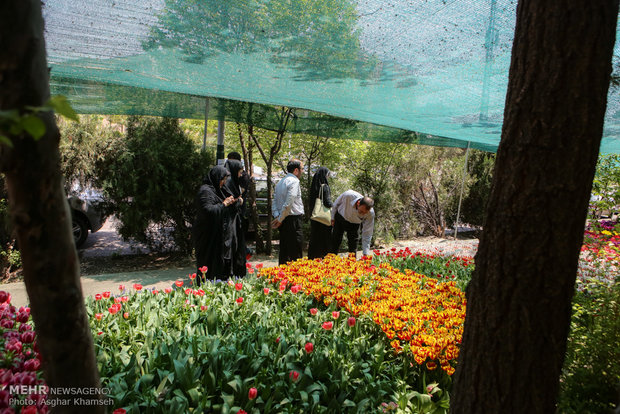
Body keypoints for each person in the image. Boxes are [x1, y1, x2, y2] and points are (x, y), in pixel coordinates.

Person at [193, 165, 238, 283]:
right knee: (208, 263)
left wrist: (234, 202)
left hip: (219, 236)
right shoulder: (205, 191)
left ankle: (218, 284)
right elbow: (208, 211)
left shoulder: (217, 190)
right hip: (208, 236)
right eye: (222, 180)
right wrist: (224, 204)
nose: (223, 183)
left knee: (220, 263)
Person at [272, 159, 304, 265]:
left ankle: (282, 278)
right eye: (302, 169)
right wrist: (280, 219)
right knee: (295, 254)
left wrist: (277, 217)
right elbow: (289, 203)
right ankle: (296, 278)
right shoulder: (294, 181)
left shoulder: (280, 182)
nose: (303, 171)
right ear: (296, 170)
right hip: (293, 220)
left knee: (284, 252)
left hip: (283, 220)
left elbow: (274, 202)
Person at [330, 190, 375, 257]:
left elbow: (367, 233)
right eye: (361, 211)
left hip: (355, 224)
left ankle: (352, 265)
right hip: (340, 217)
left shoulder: (370, 214)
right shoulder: (348, 195)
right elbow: (335, 204)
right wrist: (332, 218)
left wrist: (366, 253)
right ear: (358, 203)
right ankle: (330, 263)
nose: (363, 214)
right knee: (335, 241)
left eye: (365, 213)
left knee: (353, 247)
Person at [223, 159, 247, 276]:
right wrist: (239, 201)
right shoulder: (229, 183)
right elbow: (229, 204)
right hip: (231, 221)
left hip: (235, 220)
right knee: (233, 247)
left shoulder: (232, 182)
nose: (241, 174)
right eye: (239, 171)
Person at [307, 167, 333, 259]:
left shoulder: (314, 187)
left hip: (315, 217)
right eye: (328, 175)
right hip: (324, 219)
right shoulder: (324, 186)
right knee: (324, 240)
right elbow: (327, 202)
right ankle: (324, 259)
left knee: (315, 239)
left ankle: (312, 258)